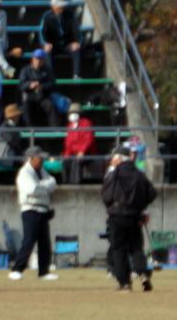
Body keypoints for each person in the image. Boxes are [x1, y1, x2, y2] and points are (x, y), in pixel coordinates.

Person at [101, 149, 157, 291]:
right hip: (134, 215)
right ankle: (143, 273)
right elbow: (151, 193)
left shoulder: (114, 174)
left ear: (119, 158)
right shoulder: (139, 174)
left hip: (117, 215)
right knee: (136, 247)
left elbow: (106, 196)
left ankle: (124, 282)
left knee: (118, 249)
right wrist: (142, 207)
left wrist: (112, 205)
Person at [10, 148, 58, 280]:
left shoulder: (41, 171)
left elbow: (53, 183)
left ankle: (44, 271)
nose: (42, 161)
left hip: (43, 209)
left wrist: (42, 186)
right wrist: (45, 187)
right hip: (30, 209)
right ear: (31, 158)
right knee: (29, 240)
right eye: (39, 158)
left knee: (45, 243)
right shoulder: (24, 173)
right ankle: (17, 269)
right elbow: (32, 189)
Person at [39, 0, 83, 80]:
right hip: (53, 44)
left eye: (62, 6)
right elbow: (42, 32)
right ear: (53, 7)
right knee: (47, 51)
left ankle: (76, 74)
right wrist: (46, 43)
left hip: (66, 44)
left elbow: (77, 30)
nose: (61, 7)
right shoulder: (47, 16)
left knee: (76, 49)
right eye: (59, 6)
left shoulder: (70, 15)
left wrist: (77, 42)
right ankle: (50, 75)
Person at [18, 48, 57, 129]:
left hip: (42, 95)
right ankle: (29, 131)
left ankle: (54, 131)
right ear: (33, 59)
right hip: (29, 95)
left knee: (50, 106)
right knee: (26, 108)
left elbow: (52, 84)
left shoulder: (47, 70)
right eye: (36, 58)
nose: (38, 61)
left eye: (40, 59)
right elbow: (21, 85)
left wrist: (42, 86)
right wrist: (29, 85)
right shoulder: (25, 70)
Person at [62, 108, 97, 184]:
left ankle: (75, 184)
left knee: (76, 161)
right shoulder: (70, 126)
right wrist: (66, 155)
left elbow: (88, 139)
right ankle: (66, 183)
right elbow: (68, 143)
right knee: (65, 161)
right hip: (73, 153)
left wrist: (82, 151)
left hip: (87, 152)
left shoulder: (86, 123)